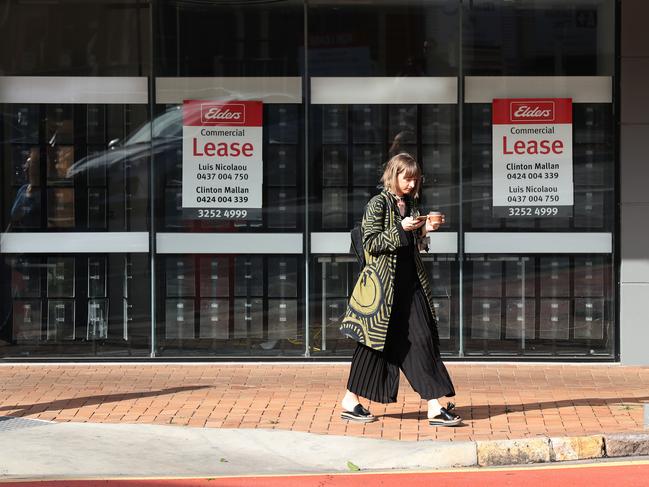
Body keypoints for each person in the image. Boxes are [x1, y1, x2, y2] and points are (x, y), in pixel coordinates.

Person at [339, 152, 461, 427]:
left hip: (410, 284)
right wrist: (400, 228)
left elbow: (413, 245)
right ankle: (350, 399)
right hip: (383, 290)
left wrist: (425, 230)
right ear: (393, 176)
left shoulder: (412, 204)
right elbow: (371, 243)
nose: (411, 184)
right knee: (373, 345)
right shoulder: (378, 204)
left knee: (421, 340)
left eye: (415, 179)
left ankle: (434, 405)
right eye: (407, 179)